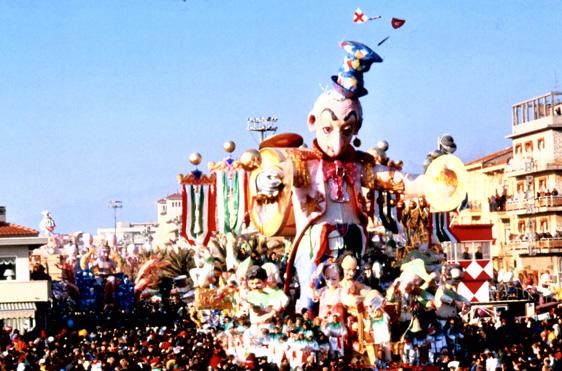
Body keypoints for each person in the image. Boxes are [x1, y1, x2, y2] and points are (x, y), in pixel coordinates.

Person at [251, 41, 414, 312]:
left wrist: (432, 184)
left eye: (347, 131)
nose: (337, 142)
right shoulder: (303, 162)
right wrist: (264, 179)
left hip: (353, 237)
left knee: (353, 288)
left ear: (357, 127)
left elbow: (398, 180)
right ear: (313, 122)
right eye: (328, 129)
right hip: (316, 238)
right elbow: (276, 171)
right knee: (312, 293)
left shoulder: (361, 165)